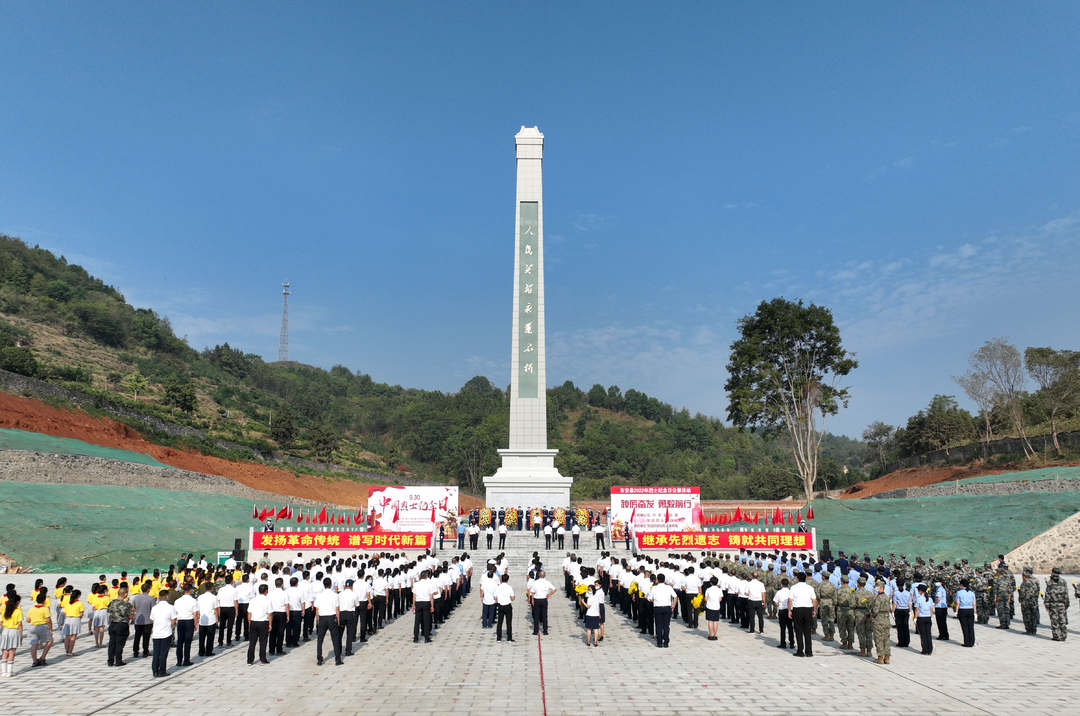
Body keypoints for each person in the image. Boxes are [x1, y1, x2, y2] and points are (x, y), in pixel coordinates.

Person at [314, 577, 342, 666]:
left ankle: (319, 658)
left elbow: (317, 609)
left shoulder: (319, 595)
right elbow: (337, 608)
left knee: (320, 639)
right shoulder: (334, 595)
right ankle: (337, 659)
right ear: (331, 585)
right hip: (331, 617)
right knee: (335, 639)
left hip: (322, 617)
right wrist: (338, 619)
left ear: (323, 585)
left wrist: (318, 619)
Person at [788, 572, 817, 658]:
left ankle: (800, 650)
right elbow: (814, 600)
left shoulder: (793, 588)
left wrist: (789, 610)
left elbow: (790, 600)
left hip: (798, 609)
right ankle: (809, 651)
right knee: (807, 631)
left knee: (798, 630)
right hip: (808, 609)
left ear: (797, 579)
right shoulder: (810, 588)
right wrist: (814, 610)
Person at [150, 589, 176, 677]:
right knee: (163, 653)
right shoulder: (171, 607)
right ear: (167, 597)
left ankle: (155, 670)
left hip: (156, 633)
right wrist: (169, 626)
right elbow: (174, 619)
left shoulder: (154, 608)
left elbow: (153, 620)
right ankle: (162, 670)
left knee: (156, 652)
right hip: (166, 633)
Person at [107, 586, 134, 667]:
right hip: (122, 624)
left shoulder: (112, 603)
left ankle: (110, 660)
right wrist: (132, 615)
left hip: (113, 624)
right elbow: (129, 616)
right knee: (119, 643)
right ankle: (118, 660)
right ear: (125, 594)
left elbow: (110, 613)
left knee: (112, 643)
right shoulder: (126, 604)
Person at [246, 583, 271, 665]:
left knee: (252, 642)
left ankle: (250, 660)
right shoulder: (267, 600)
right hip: (263, 622)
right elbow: (269, 614)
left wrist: (249, 622)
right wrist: (270, 624)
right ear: (266, 591)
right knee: (263, 641)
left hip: (253, 621)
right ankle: (262, 659)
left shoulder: (252, 600)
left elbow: (249, 612)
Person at [173, 583, 197, 667]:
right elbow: (195, 614)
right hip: (189, 620)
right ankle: (186, 660)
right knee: (187, 641)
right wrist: (196, 623)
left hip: (180, 620)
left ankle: (179, 660)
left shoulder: (177, 601)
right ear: (190, 591)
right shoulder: (193, 601)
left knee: (180, 641)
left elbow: (175, 612)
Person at [650, 573, 677, 649]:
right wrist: (674, 605)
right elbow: (675, 596)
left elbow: (650, 598)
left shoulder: (654, 588)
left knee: (658, 625)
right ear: (664, 580)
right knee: (666, 625)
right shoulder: (669, 588)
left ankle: (659, 642)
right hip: (667, 607)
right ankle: (666, 641)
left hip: (658, 607)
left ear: (657, 580)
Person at [1043, 567, 1070, 641]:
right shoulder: (1063, 584)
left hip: (1053, 606)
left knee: (1055, 621)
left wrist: (1047, 606)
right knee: (1062, 621)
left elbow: (1047, 597)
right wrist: (1066, 606)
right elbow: (1066, 596)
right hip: (1062, 605)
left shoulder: (1050, 585)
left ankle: (1057, 636)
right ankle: (1063, 635)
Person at [870, 579, 893, 664]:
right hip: (886, 620)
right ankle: (887, 657)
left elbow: (875, 610)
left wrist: (871, 614)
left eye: (876, 587)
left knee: (879, 639)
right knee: (886, 639)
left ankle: (880, 657)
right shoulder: (886, 597)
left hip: (879, 620)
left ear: (880, 588)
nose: (875, 589)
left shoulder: (878, 598)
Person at [130, 581, 155, 659]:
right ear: (148, 590)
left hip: (138, 619)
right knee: (146, 636)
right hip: (148, 620)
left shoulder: (136, 598)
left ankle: (135, 651)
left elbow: (133, 608)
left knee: (137, 636)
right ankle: (145, 651)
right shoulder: (151, 598)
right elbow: (153, 609)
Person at [529, 570, 556, 636]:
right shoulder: (547, 582)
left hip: (537, 599)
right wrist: (549, 594)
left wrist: (532, 600)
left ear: (539, 575)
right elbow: (554, 589)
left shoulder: (535, 582)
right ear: (545, 575)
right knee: (544, 615)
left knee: (536, 616)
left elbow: (532, 592)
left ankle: (535, 631)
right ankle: (545, 630)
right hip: (544, 599)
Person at [1, 594, 22, 677]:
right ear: (16, 602)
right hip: (14, 631)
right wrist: (20, 634)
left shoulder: (5, 611)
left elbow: (1, 622)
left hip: (5, 631)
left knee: (4, 652)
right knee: (12, 652)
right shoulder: (18, 611)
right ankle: (9, 672)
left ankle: (3, 672)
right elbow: (20, 624)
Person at [196, 584, 219, 657]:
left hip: (202, 619)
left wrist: (198, 617)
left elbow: (198, 609)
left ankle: (201, 651)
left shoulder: (200, 597)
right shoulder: (214, 597)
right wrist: (217, 619)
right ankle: (209, 651)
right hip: (211, 618)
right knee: (210, 636)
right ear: (212, 588)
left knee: (201, 637)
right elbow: (215, 609)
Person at [61, 589, 84, 656]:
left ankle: (67, 651)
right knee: (73, 636)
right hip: (75, 619)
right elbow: (81, 613)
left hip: (68, 619)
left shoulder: (68, 603)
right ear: (78, 596)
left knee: (67, 636)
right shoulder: (79, 603)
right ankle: (70, 651)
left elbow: (64, 613)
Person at [913, 583, 934, 655]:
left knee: (923, 634)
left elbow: (916, 609)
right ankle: (930, 649)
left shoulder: (919, 599)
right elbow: (931, 609)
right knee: (928, 633)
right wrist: (930, 616)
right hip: (928, 617)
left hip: (921, 617)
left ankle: (925, 649)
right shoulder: (930, 599)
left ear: (920, 591)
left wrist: (915, 618)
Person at [1018, 568, 1040, 635]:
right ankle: (1034, 629)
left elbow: (1022, 594)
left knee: (1027, 616)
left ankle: (1029, 629)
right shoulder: (1034, 583)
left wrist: (1021, 599)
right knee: (1033, 615)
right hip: (1033, 601)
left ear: (1024, 577)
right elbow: (1037, 592)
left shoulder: (1024, 584)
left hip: (1026, 602)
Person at [955, 578, 976, 647]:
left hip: (962, 610)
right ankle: (972, 642)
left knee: (965, 627)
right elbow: (974, 603)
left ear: (961, 585)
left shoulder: (959, 592)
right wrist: (975, 612)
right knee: (971, 627)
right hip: (970, 610)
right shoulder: (971, 593)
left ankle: (967, 642)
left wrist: (956, 611)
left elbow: (958, 603)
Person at [495, 573, 515, 642]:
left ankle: (498, 638)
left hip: (500, 605)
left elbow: (495, 597)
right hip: (507, 606)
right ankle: (509, 638)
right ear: (507, 580)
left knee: (499, 622)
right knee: (508, 622)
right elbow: (512, 597)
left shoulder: (498, 587)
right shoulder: (509, 587)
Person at [774, 578, 793, 648]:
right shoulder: (790, 592)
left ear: (781, 585)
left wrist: (779, 605)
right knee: (790, 627)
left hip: (782, 610)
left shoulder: (779, 592)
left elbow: (776, 602)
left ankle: (783, 643)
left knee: (782, 628)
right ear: (788, 584)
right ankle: (792, 643)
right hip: (789, 610)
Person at [893, 577, 912, 648]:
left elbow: (895, 603)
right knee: (905, 626)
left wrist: (893, 611)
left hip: (898, 610)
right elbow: (909, 603)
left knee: (900, 627)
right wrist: (910, 611)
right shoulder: (907, 593)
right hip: (906, 610)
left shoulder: (896, 593)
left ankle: (901, 642)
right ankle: (906, 642)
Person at [704, 576, 723, 641]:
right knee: (715, 621)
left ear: (711, 582)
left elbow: (706, 599)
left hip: (709, 606)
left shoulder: (708, 590)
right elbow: (720, 599)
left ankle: (710, 635)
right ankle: (715, 635)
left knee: (710, 621)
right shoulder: (719, 590)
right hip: (716, 607)